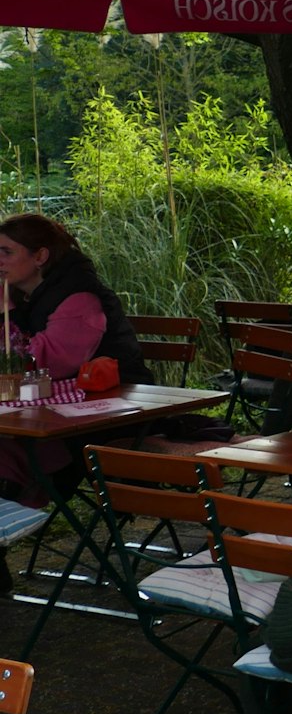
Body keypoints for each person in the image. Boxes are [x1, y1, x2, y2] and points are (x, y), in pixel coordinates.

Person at [0, 214, 153, 506]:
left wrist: (1, 309)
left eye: (6, 252)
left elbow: (40, 362)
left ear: (40, 256)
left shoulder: (79, 296)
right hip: (50, 409)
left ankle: (20, 499)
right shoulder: (26, 295)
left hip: (111, 408)